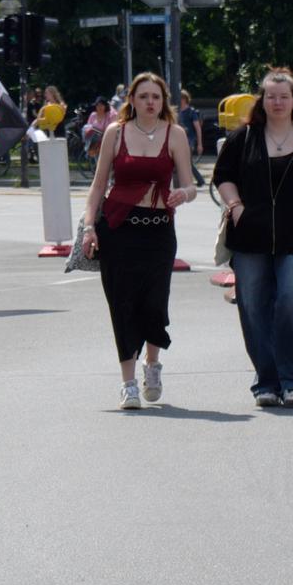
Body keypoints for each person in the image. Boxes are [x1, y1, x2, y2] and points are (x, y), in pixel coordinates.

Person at [211, 68, 293, 408]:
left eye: (284, 96)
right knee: (253, 306)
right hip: (250, 238)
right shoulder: (246, 138)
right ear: (262, 100)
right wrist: (235, 205)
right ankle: (267, 381)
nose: (278, 102)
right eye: (271, 96)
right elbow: (223, 176)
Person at [79, 72, 196, 409]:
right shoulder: (115, 133)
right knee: (123, 303)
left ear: (164, 101)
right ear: (132, 99)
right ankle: (128, 383)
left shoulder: (175, 134)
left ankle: (152, 364)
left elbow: (190, 185)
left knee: (154, 302)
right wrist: (90, 226)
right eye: (143, 96)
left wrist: (182, 194)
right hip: (119, 228)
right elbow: (99, 185)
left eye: (155, 97)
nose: (149, 102)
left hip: (159, 229)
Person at [175, 90, 206, 185]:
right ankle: (197, 180)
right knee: (185, 162)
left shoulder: (191, 112)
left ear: (184, 99)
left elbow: (198, 128)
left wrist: (199, 144)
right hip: (180, 140)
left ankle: (200, 180)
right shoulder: (177, 111)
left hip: (189, 140)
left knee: (187, 162)